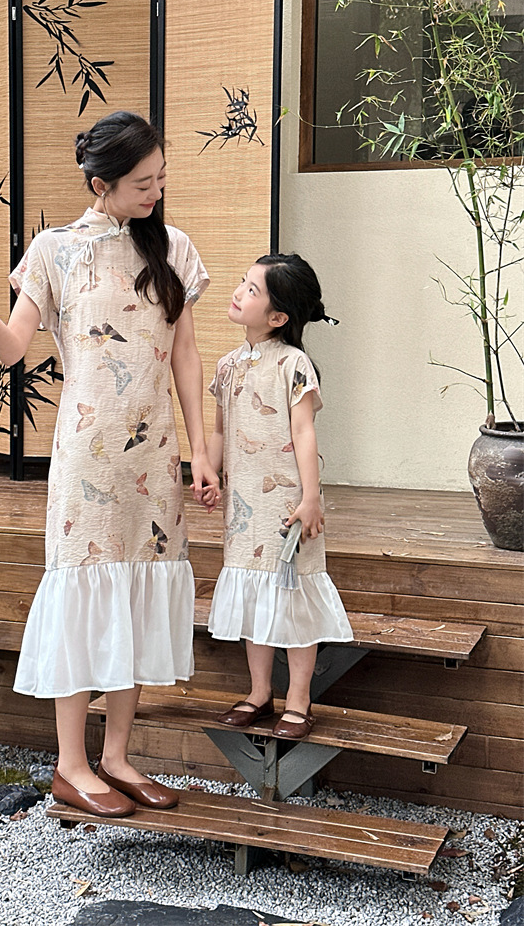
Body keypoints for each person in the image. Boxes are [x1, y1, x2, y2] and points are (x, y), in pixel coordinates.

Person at [0, 110, 220, 816]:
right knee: (86, 597)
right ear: (99, 184)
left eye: (161, 178)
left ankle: (117, 757)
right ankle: (71, 764)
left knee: (137, 595)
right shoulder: (54, 250)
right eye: (143, 182)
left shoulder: (174, 248)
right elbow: (11, 348)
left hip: (154, 459)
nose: (157, 191)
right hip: (88, 460)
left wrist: (201, 449)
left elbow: (185, 355)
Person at [201, 254, 352, 740]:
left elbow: (304, 432)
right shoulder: (227, 366)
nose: (238, 292)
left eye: (252, 289)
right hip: (244, 507)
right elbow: (220, 430)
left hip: (288, 504)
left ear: (278, 317)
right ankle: (259, 693)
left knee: (294, 598)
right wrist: (209, 472)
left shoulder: (294, 364)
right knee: (255, 598)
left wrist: (311, 498)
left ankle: (299, 699)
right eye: (242, 282)